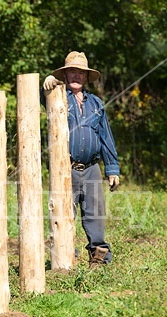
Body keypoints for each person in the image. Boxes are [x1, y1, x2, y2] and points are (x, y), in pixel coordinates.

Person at [42, 51, 120, 267]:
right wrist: (48, 83)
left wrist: (112, 168)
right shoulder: (56, 96)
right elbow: (43, 97)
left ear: (86, 77)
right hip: (65, 168)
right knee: (65, 212)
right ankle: (66, 257)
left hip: (92, 167)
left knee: (95, 213)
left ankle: (99, 257)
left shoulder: (96, 103)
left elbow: (106, 137)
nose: (76, 76)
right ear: (65, 75)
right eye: (71, 72)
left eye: (81, 73)